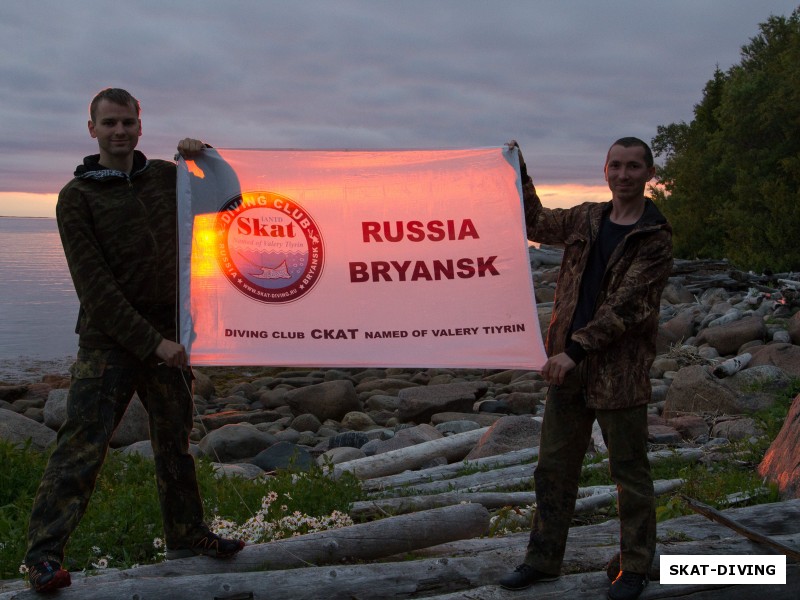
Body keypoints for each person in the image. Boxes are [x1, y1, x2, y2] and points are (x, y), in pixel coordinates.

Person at [23, 88, 244, 593]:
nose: (119, 131)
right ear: (92, 129)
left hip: (169, 337)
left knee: (175, 446)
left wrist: (204, 156)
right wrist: (153, 344)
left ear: (140, 127)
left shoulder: (168, 179)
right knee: (80, 449)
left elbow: (229, 199)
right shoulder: (76, 198)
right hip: (109, 344)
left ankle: (188, 536)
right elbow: (96, 290)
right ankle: (42, 557)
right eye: (109, 124)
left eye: (127, 122)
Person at [499, 138, 672, 600]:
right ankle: (542, 560)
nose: (623, 174)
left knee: (629, 473)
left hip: (618, 374)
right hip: (567, 372)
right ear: (605, 169)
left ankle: (634, 567)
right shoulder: (586, 218)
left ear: (648, 173)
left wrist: (572, 351)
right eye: (616, 165)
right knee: (553, 469)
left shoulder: (655, 237)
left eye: (633, 166)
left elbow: (626, 308)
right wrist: (520, 170)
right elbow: (535, 223)